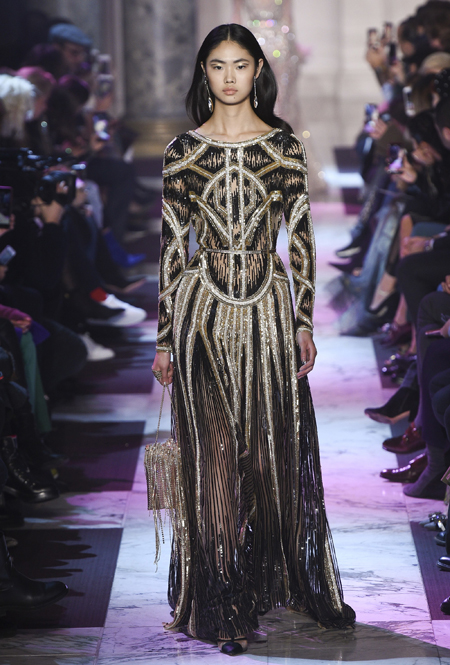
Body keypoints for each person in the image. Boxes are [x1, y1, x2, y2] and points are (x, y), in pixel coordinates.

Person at [151, 24, 355, 655]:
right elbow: (170, 249)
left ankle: (277, 578)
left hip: (267, 311)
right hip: (202, 314)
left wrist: (303, 322)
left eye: (240, 65)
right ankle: (222, 601)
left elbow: (301, 239)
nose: (230, 77)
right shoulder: (183, 152)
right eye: (218, 65)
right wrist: (164, 339)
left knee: (268, 457)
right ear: (204, 72)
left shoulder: (283, 147)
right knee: (214, 458)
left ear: (258, 70)